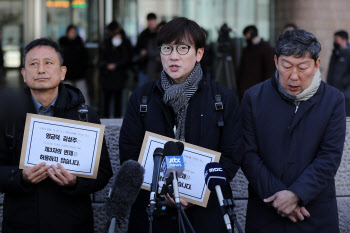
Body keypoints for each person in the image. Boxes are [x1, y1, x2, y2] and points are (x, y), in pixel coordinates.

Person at [119, 17, 242, 233]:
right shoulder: (143, 97)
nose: (173, 56)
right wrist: (163, 190)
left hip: (206, 212)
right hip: (152, 214)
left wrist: (196, 193)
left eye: (183, 48)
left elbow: (232, 155)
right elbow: (129, 152)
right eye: (167, 48)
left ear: (199, 54)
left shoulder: (221, 99)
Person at [0, 38, 113, 233]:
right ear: (24, 74)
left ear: (62, 72)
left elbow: (103, 172)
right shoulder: (8, 115)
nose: (41, 70)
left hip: (72, 223)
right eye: (33, 64)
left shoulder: (84, 116)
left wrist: (76, 182)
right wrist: (20, 177)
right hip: (21, 224)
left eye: (48, 63)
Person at [241, 29, 346, 233]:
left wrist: (297, 194)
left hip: (314, 212)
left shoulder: (333, 100)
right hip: (266, 211)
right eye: (286, 66)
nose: (293, 76)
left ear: (316, 64)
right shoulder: (253, 97)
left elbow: (329, 156)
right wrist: (279, 196)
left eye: (303, 67)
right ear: (275, 61)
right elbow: (247, 153)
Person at [237, 25, 275, 100]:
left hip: (259, 87)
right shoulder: (247, 49)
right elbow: (242, 68)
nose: (246, 37)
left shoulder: (266, 48)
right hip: (246, 88)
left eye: (247, 34)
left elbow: (269, 69)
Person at [99, 29, 130, 118]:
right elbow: (100, 61)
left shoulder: (123, 48)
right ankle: (105, 118)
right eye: (116, 37)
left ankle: (117, 118)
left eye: (119, 37)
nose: (118, 39)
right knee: (106, 102)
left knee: (118, 102)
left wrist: (116, 65)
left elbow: (126, 60)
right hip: (107, 78)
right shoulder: (106, 47)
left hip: (118, 79)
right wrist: (107, 65)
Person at [59, 25, 90, 105]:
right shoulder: (62, 45)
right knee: (66, 97)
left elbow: (85, 61)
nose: (73, 34)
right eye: (71, 32)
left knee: (83, 96)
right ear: (67, 33)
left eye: (74, 32)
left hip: (80, 76)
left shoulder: (80, 45)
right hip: (67, 76)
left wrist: (84, 72)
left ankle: (86, 114)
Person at [327, 30, 350, 115]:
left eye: (337, 40)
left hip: (346, 93)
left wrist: (343, 82)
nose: (334, 42)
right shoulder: (335, 53)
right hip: (334, 92)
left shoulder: (348, 54)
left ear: (344, 40)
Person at [134, 13, 158, 86]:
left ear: (156, 21)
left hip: (157, 67)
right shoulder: (143, 35)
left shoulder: (160, 33)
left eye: (153, 21)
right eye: (150, 22)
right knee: (143, 91)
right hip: (144, 67)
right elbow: (137, 49)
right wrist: (141, 52)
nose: (151, 24)